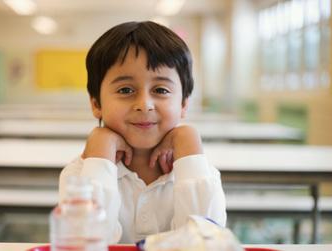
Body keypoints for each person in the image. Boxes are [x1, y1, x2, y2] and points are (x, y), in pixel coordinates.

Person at [58, 21, 226, 244]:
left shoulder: (199, 172)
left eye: (161, 90)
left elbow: (206, 243)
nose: (144, 104)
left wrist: (189, 141)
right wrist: (100, 154)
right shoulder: (79, 174)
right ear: (96, 103)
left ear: (184, 104)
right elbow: (82, 245)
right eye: (125, 90)